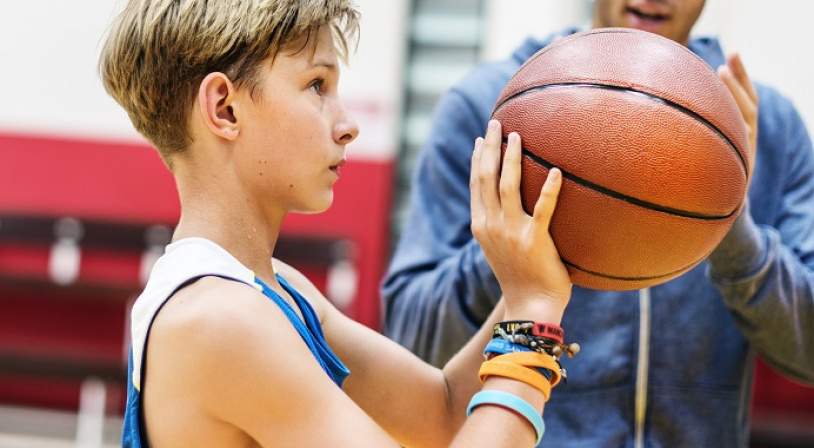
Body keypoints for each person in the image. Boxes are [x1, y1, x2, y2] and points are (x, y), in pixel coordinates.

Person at [100, 1, 582, 447]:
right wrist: (531, 315)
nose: (347, 123)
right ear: (224, 108)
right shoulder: (219, 319)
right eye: (317, 85)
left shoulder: (276, 287)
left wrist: (534, 284)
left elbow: (443, 413)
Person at [382, 0, 814, 446]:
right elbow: (411, 343)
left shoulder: (766, 127)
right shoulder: (490, 108)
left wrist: (733, 227)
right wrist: (514, 240)